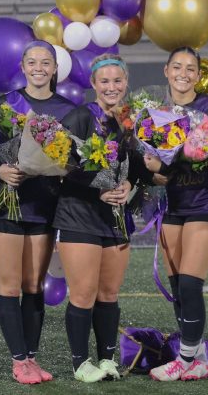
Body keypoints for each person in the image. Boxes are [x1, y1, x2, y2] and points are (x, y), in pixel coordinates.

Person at [0, 40, 75, 384]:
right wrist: (1, 171)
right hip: (7, 204)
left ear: (54, 69)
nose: (38, 67)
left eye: (45, 62)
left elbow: (71, 161)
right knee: (10, 285)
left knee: (33, 285)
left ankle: (32, 358)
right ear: (23, 66)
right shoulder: (7, 103)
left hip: (43, 206)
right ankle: (19, 361)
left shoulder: (66, 108)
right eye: (32, 61)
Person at [53, 54, 149, 383]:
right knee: (83, 294)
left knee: (109, 294)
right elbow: (62, 166)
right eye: (104, 81)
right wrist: (99, 190)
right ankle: (81, 363)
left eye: (117, 81)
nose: (111, 87)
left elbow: (139, 168)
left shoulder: (132, 121)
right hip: (79, 216)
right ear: (93, 84)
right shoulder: (79, 117)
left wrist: (128, 184)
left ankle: (107, 359)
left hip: (115, 219)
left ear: (126, 83)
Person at [144, 47, 208, 382]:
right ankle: (201, 357)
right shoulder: (153, 110)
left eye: (190, 68)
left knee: (192, 284)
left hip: (205, 203)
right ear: (166, 70)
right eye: (177, 66)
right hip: (172, 206)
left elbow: (207, 152)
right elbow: (146, 157)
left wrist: (169, 161)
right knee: (179, 287)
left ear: (198, 74)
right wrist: (149, 171)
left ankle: (184, 358)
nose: (183, 73)